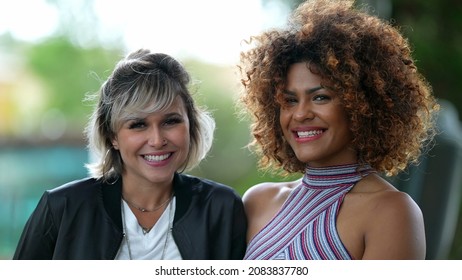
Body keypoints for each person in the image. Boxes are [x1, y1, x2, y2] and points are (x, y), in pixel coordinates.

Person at [237, 0, 438, 260]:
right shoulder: (257, 201)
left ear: (361, 104)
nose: (300, 114)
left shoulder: (391, 211)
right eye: (289, 100)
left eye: (320, 97)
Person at [13, 49, 247, 260]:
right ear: (112, 135)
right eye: (138, 125)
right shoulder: (61, 209)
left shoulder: (221, 208)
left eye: (170, 121)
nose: (157, 140)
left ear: (191, 125)